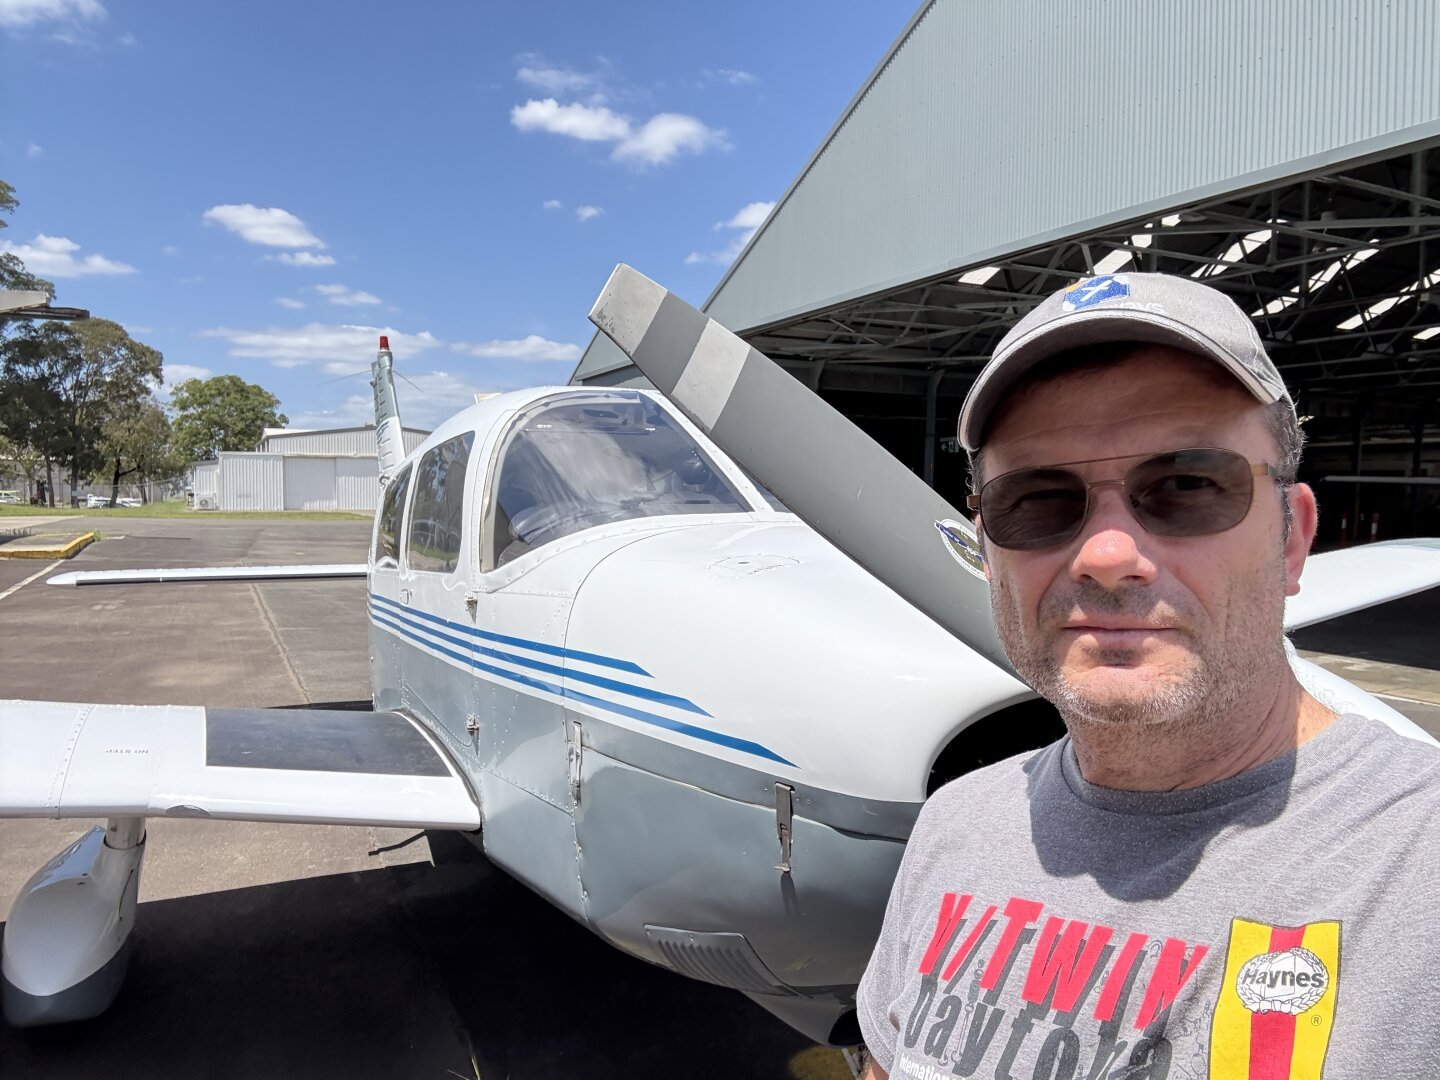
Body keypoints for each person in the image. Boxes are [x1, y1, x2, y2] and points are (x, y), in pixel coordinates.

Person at [857, 273, 1440, 1079]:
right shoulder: (953, 825)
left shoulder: (1420, 858)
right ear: (986, 551)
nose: (1105, 557)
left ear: (1293, 539)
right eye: (1035, 498)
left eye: (1188, 487)